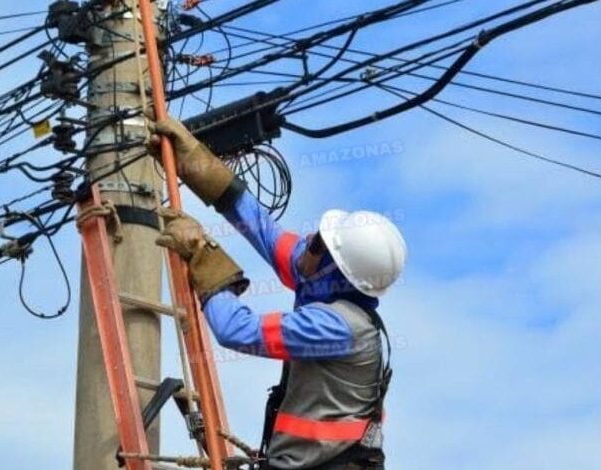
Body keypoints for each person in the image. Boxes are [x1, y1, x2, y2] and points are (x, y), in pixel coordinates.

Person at [148, 117, 407, 470]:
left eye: (319, 245)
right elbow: (261, 228)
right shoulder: (323, 284)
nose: (308, 248)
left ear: (338, 271)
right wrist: (193, 161)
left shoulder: (338, 327)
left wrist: (203, 253)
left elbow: (236, 330)